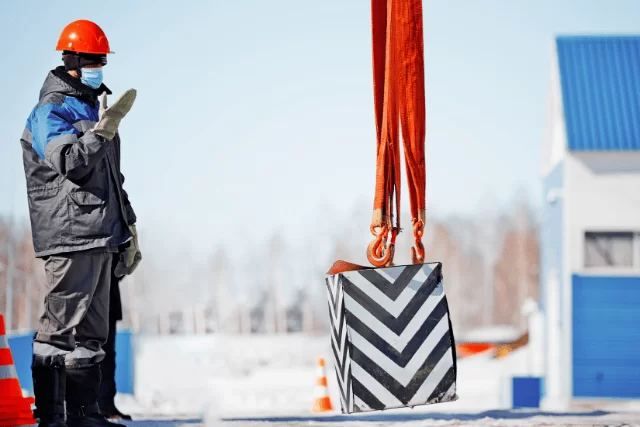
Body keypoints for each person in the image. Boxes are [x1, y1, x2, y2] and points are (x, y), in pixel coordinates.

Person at [20, 19, 141, 427]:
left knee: (93, 334)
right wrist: (101, 133)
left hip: (101, 234)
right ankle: (53, 418)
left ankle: (84, 415)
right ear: (71, 62)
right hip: (70, 235)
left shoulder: (93, 109)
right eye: (92, 61)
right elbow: (69, 161)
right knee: (58, 329)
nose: (98, 68)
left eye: (102, 61)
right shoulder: (50, 111)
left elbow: (111, 179)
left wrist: (128, 227)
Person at [97, 271, 132, 421]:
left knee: (108, 356)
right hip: (86, 302)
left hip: (108, 302)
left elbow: (121, 269)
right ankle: (91, 406)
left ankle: (106, 404)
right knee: (88, 354)